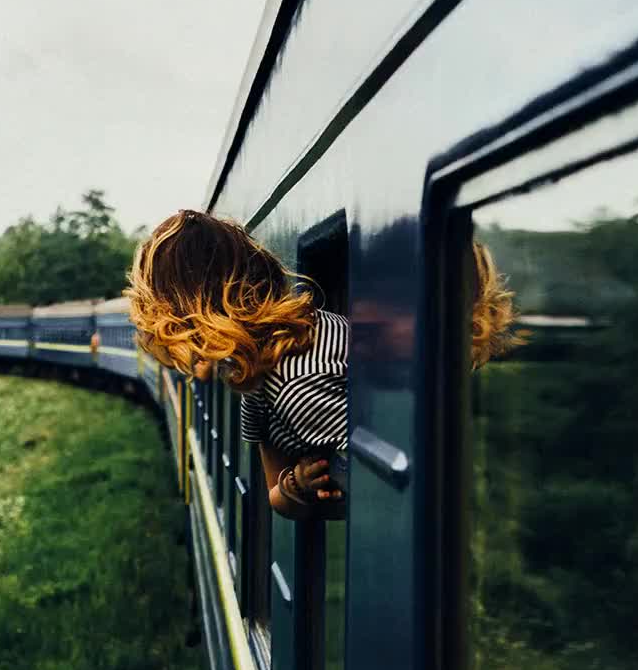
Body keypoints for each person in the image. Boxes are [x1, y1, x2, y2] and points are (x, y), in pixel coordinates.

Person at [125, 209, 521, 520]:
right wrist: (296, 486)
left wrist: (313, 487)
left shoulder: (296, 383)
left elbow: (395, 489)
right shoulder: (265, 380)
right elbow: (277, 493)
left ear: (191, 319)